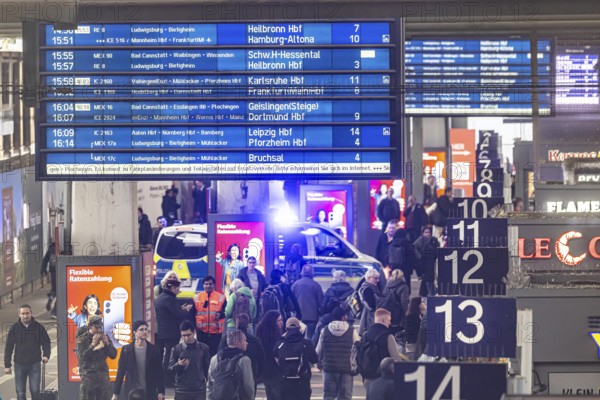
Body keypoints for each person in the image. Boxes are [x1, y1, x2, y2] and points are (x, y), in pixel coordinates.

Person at [155, 273, 194, 387]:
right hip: (170, 332)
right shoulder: (169, 298)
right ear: (172, 287)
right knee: (170, 356)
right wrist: (185, 310)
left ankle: (165, 378)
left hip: (164, 331)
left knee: (167, 355)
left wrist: (180, 309)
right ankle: (168, 379)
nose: (178, 290)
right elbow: (178, 314)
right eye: (177, 288)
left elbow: (170, 312)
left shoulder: (162, 297)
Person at [4, 304, 51, 400]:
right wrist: (7, 365)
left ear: (31, 313)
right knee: (20, 393)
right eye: (23, 314)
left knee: (35, 391)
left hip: (35, 364)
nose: (25, 316)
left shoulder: (38, 327)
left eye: (27, 313)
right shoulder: (14, 328)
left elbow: (46, 342)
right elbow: (9, 347)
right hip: (19, 364)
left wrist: (46, 355)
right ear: (19, 314)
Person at [113, 320, 165, 400]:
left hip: (149, 391)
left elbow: (159, 372)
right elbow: (121, 372)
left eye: (145, 329)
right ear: (134, 332)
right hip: (131, 392)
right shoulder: (126, 350)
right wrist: (115, 393)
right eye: (141, 329)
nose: (144, 332)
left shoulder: (154, 350)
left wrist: (161, 391)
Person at [315, 306, 360, 400]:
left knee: (329, 396)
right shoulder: (352, 331)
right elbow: (357, 348)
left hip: (329, 368)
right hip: (346, 368)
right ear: (343, 317)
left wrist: (318, 362)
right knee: (345, 397)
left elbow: (319, 349)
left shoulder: (325, 330)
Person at [274, 318, 318, 400]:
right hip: (302, 382)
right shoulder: (306, 343)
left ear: (286, 328)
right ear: (299, 328)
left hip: (285, 381)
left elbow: (275, 357)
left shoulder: (280, 343)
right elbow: (314, 359)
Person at [76, 315, 117, 400]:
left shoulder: (104, 337)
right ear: (91, 326)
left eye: (100, 327)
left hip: (102, 376)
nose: (99, 330)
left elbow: (113, 355)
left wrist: (108, 344)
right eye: (97, 327)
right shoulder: (82, 339)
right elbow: (82, 357)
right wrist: (92, 345)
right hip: (88, 377)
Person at [217, 313, 264, 388]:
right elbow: (261, 360)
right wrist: (256, 377)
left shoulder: (227, 338)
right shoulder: (255, 341)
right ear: (248, 324)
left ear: (236, 323)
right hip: (250, 377)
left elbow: (219, 355)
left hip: (229, 377)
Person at [361, 309, 405, 387]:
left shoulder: (365, 335)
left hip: (367, 378)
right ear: (383, 320)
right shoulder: (388, 336)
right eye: (389, 320)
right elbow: (395, 359)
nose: (390, 323)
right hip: (383, 380)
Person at [169, 320, 211, 400]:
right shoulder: (176, 349)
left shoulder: (203, 348)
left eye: (188, 335)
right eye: (183, 335)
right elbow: (170, 370)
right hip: (182, 390)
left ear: (194, 332)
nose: (186, 338)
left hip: (199, 390)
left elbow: (207, 369)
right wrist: (179, 365)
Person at [207, 330, 255, 400]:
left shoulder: (215, 358)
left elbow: (210, 383)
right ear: (238, 342)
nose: (246, 343)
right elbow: (248, 385)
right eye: (244, 340)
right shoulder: (244, 360)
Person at [193, 275, 226, 358]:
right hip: (201, 332)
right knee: (201, 354)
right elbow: (192, 313)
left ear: (214, 285)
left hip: (216, 332)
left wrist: (220, 314)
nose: (208, 286)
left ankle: (212, 370)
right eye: (206, 284)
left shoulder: (221, 297)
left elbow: (226, 312)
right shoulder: (197, 297)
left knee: (214, 354)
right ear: (203, 285)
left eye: (210, 284)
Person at [256, 310, 284, 400]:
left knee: (270, 395)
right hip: (275, 371)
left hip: (265, 371)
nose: (281, 323)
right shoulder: (275, 337)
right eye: (279, 320)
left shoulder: (260, 334)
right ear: (273, 322)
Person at [291, 265, 323, 340]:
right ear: (312, 273)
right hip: (313, 317)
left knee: (299, 337)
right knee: (310, 338)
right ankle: (308, 351)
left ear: (302, 273)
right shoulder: (316, 285)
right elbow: (321, 302)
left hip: (299, 317)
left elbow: (291, 301)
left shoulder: (295, 284)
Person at [379, 269, 410, 335]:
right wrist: (404, 317)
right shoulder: (404, 287)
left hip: (387, 312)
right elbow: (404, 303)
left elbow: (383, 296)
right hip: (398, 315)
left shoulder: (388, 285)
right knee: (398, 335)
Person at [387, 228, 417, 293]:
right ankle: (405, 299)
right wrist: (417, 269)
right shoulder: (408, 244)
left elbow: (387, 256)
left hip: (394, 267)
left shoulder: (391, 244)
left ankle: (395, 297)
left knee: (395, 283)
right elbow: (412, 257)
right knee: (406, 285)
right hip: (406, 268)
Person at [413, 225, 439, 297]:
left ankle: (425, 295)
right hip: (424, 264)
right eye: (426, 232)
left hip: (432, 262)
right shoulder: (420, 240)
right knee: (427, 281)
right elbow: (414, 248)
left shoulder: (434, 240)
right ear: (422, 233)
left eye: (429, 232)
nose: (428, 234)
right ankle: (428, 295)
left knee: (428, 281)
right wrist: (419, 256)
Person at [358, 269, 383, 336]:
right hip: (370, 317)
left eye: (378, 278)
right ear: (369, 278)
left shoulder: (369, 288)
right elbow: (372, 305)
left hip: (370, 316)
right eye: (375, 278)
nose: (377, 280)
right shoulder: (367, 289)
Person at [40, 242, 57, 318]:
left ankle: (51, 297)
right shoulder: (66, 246)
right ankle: (55, 312)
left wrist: (43, 270)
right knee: (62, 292)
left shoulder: (51, 248)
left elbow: (45, 260)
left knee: (54, 289)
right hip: (63, 270)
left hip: (53, 271)